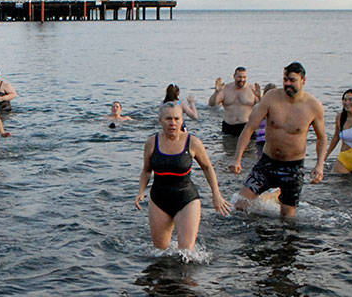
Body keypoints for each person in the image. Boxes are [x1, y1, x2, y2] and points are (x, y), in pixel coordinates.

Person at [230, 62, 327, 218]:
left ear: (303, 80)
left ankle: (276, 199)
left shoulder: (313, 106)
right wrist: (237, 158)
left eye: (292, 80)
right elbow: (249, 128)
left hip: (293, 168)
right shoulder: (271, 97)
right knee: (240, 205)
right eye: (285, 79)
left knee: (287, 218)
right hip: (267, 162)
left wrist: (319, 165)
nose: (287, 83)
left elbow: (322, 138)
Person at [135, 101, 231, 250]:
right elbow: (146, 170)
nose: (172, 123)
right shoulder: (151, 143)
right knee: (160, 251)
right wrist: (141, 191)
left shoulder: (192, 142)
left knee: (186, 252)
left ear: (182, 120)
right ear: (160, 120)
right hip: (159, 199)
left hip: (186, 199)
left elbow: (207, 167)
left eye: (176, 119)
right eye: (168, 119)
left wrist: (216, 194)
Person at [207, 67, 261, 136]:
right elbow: (212, 104)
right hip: (229, 126)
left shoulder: (252, 89)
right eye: (239, 77)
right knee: (227, 146)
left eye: (244, 77)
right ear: (234, 76)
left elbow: (261, 107)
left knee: (249, 146)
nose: (242, 79)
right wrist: (216, 92)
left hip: (246, 126)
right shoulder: (226, 88)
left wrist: (259, 97)